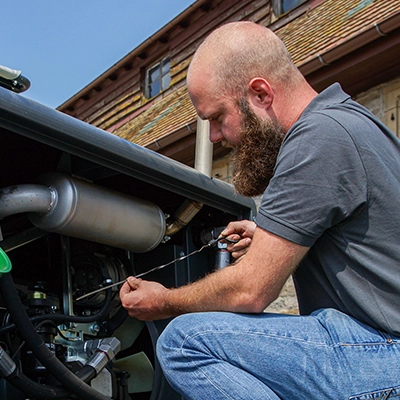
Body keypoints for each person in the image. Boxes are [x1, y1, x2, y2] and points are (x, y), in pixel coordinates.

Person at [120, 21, 400, 399]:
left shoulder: (317, 138)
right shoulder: (349, 122)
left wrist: (163, 302)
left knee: (185, 342)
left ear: (260, 94)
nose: (216, 137)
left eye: (217, 117)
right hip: (378, 346)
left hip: (383, 352)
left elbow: (250, 292)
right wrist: (269, 239)